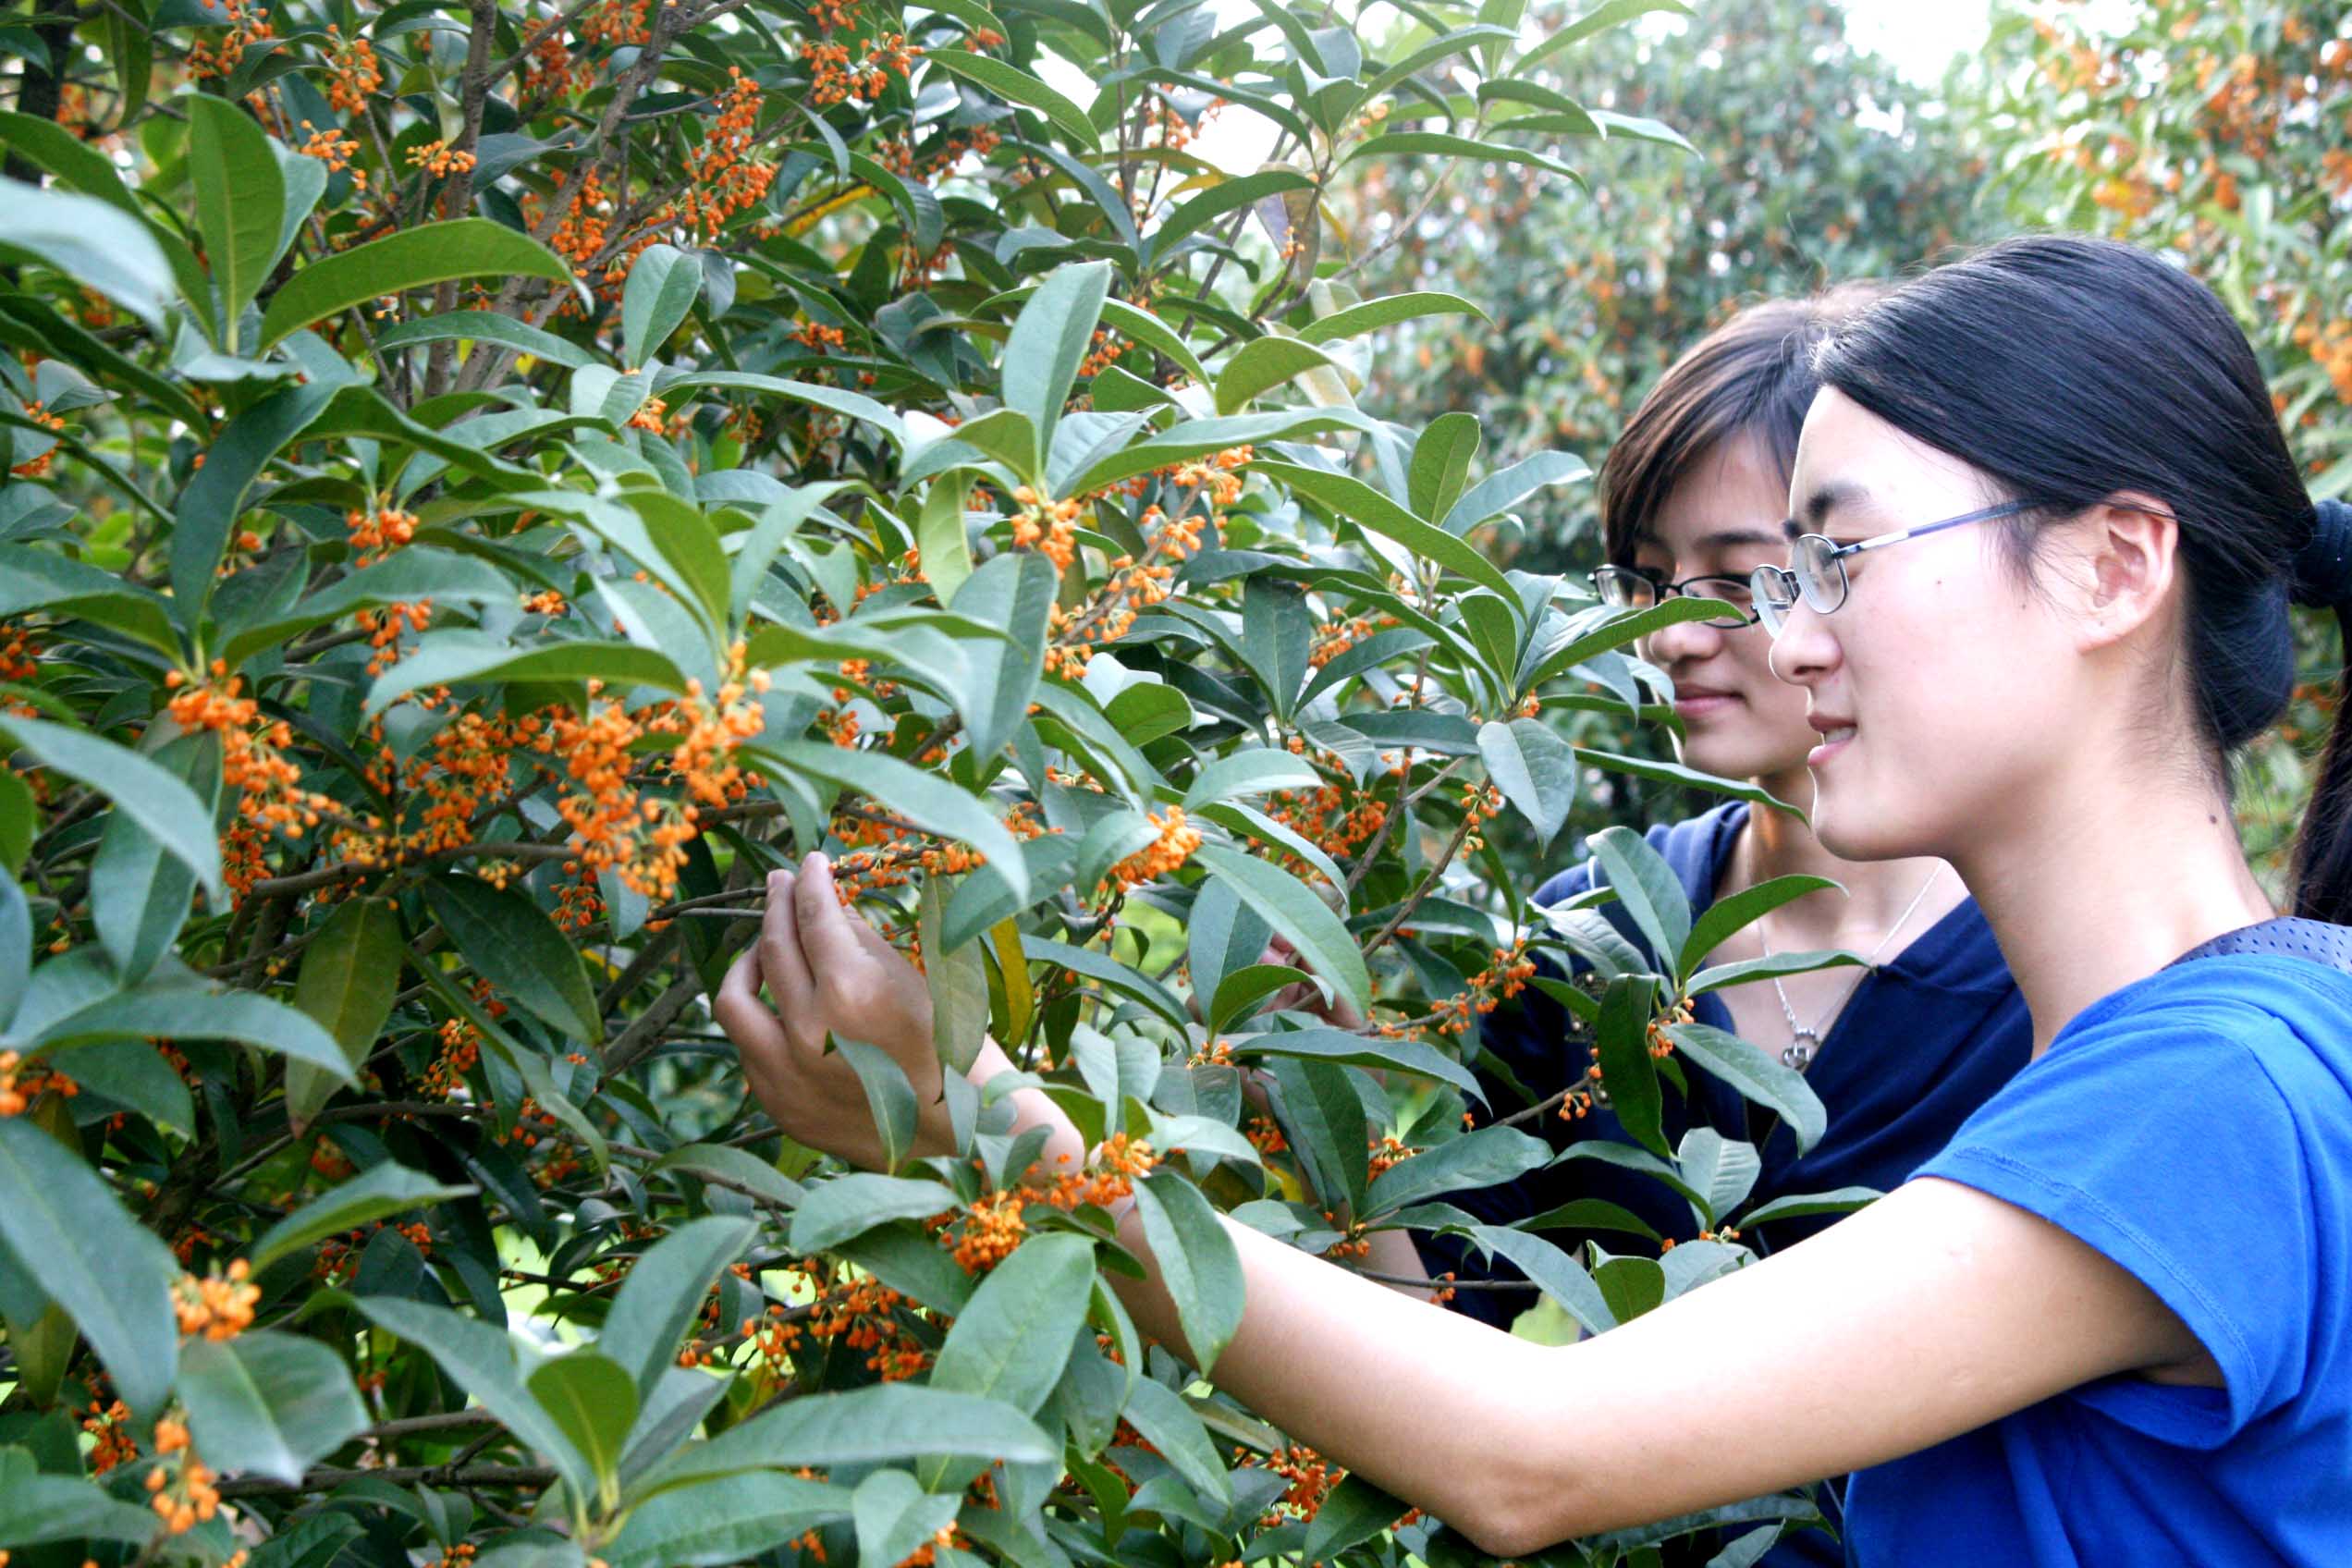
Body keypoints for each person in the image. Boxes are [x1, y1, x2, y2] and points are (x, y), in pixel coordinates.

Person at [717, 235, 2352, 1565]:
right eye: (1770, 579)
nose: (1784, 638)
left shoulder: (2216, 1092)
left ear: (2116, 566)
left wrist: (977, 1120)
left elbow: (1533, 1452)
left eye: (1835, 561)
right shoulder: (2236, 1043)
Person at [1397, 291, 2036, 1565]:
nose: (1676, 634)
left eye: (1742, 580)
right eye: (1646, 582)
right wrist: (1320, 1079)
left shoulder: (2050, 974)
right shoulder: (1588, 944)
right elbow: (1446, 1350)